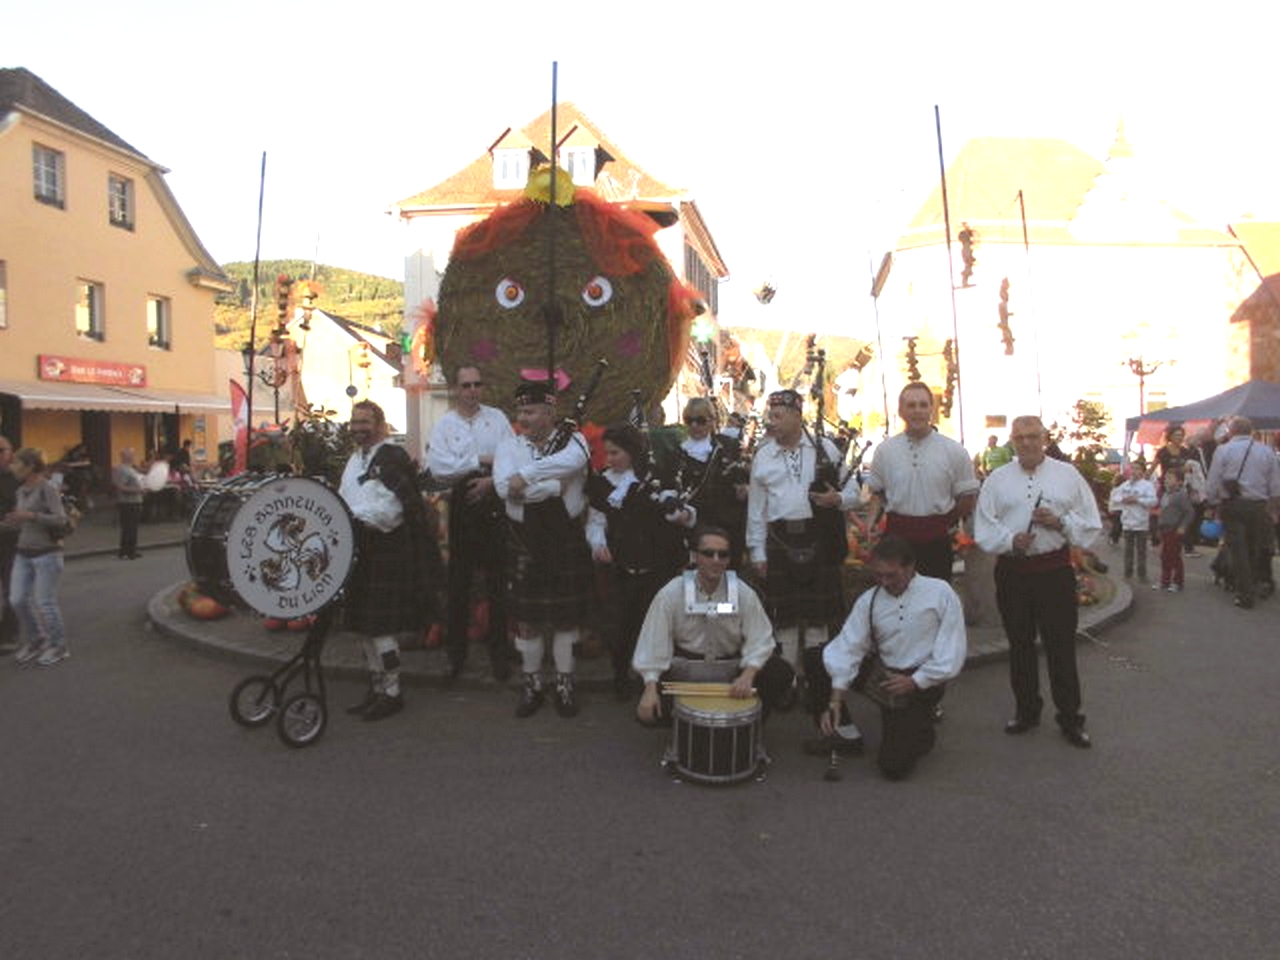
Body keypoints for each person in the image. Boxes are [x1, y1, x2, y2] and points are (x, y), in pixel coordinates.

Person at [974, 415, 1101, 749]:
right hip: (1013, 573)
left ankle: (1071, 718)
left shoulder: (1067, 475)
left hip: (1054, 573)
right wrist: (1009, 540)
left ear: (1045, 438)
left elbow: (1090, 523)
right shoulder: (997, 479)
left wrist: (1060, 522)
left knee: (1061, 647)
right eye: (1020, 437)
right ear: (1012, 441)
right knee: (1019, 646)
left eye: (1033, 436)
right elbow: (984, 526)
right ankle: (1026, 711)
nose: (1027, 443)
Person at [746, 388, 859, 752]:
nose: (771, 421)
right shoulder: (763, 455)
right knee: (784, 621)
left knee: (818, 623)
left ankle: (816, 686)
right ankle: (790, 685)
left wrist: (838, 499)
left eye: (778, 415)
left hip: (818, 540)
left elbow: (858, 489)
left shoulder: (825, 449)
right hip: (780, 543)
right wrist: (756, 550)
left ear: (797, 414)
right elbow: (756, 508)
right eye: (770, 414)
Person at [823, 535, 967, 780]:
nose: (884, 582)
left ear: (910, 568)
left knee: (893, 767)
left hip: (923, 680)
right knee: (818, 657)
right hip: (885, 675)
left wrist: (915, 681)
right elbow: (849, 646)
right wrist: (835, 701)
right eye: (878, 575)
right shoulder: (869, 600)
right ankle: (845, 732)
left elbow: (951, 649)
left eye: (891, 575)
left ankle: (921, 726)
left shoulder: (939, 592)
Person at [493, 380, 594, 718]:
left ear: (550, 412)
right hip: (525, 539)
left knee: (566, 622)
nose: (523, 418)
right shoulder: (508, 446)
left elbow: (575, 462)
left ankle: (565, 685)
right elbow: (506, 489)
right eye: (521, 411)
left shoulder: (574, 441)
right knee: (529, 622)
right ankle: (533, 684)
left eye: (531, 411)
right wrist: (551, 487)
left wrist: (528, 476)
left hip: (564, 539)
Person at [632, 526, 795, 725]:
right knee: (648, 711)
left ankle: (750, 724)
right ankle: (685, 730)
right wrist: (649, 689)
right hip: (685, 670)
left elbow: (761, 639)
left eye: (723, 554)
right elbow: (652, 643)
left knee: (780, 671)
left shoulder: (744, 593)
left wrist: (748, 674)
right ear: (695, 556)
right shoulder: (671, 593)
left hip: (731, 669)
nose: (716, 560)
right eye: (708, 554)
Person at [340, 401, 439, 720]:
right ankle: (376, 685)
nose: (359, 428)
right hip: (360, 547)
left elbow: (389, 512)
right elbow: (345, 497)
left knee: (380, 626)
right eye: (355, 422)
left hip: (386, 548)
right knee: (364, 627)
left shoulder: (391, 457)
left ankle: (393, 691)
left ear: (381, 425)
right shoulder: (356, 459)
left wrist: (351, 519)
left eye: (365, 422)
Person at [586, 422, 694, 696]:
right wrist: (598, 543)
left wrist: (679, 514)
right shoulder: (602, 483)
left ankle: (654, 680)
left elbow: (677, 512)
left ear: (632, 452)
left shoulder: (654, 480)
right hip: (621, 564)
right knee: (622, 624)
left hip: (657, 563)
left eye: (615, 453)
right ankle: (620, 675)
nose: (609, 459)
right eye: (607, 453)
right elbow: (596, 521)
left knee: (657, 624)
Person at [425, 365, 516, 680]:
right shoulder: (444, 425)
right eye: (466, 385)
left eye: (477, 384)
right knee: (458, 584)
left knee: (497, 584)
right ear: (456, 389)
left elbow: (512, 458)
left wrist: (490, 480)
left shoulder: (498, 419)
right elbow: (438, 468)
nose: (472, 390)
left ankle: (500, 654)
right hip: (463, 505)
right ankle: (456, 655)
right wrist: (479, 461)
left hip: (494, 502)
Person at [865, 383, 979, 583]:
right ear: (900, 411)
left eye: (923, 405)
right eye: (911, 405)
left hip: (936, 542)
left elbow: (967, 498)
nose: (917, 410)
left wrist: (943, 522)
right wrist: (870, 524)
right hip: (895, 541)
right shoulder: (885, 451)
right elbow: (877, 493)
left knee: (934, 601)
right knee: (895, 601)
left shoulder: (954, 451)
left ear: (931, 409)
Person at [1205, 416, 1280, 609]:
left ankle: (1244, 593)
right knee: (1254, 547)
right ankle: (1253, 583)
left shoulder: (1223, 450)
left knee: (1238, 549)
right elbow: (1275, 485)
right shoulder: (1266, 451)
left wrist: (1212, 502)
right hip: (1258, 506)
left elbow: (1214, 480)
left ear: (1232, 431)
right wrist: (1273, 509)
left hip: (1233, 505)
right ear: (1252, 431)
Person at [3, 448, 70, 666]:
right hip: (23, 551)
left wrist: (31, 515)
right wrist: (11, 522)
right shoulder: (21, 491)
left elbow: (60, 519)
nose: (12, 467)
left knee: (45, 602)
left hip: (47, 553)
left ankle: (58, 646)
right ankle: (36, 639)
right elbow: (20, 521)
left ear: (30, 466)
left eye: (16, 463)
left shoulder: (47, 488)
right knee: (17, 599)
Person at [675, 397, 748, 567]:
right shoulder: (678, 452)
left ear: (712, 420)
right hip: (694, 526)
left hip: (726, 525)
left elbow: (741, 478)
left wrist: (743, 488)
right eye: (689, 420)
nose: (694, 426)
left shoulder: (728, 446)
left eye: (700, 420)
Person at [1107, 463, 1157, 583]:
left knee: (1141, 551)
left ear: (1143, 471)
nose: (1134, 471)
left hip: (1141, 523)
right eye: (1132, 469)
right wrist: (1123, 500)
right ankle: (1127, 573)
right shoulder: (1125, 485)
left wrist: (1138, 500)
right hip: (1127, 522)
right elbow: (1115, 497)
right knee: (1128, 551)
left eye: (1137, 469)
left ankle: (1142, 574)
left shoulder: (1147, 486)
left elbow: (1153, 501)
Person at [1157, 468, 1194, 592]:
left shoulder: (1181, 495)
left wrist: (1183, 526)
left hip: (1175, 529)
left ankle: (1178, 582)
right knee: (1165, 556)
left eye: (1170, 478)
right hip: (1164, 528)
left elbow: (1189, 512)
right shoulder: (1165, 494)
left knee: (1174, 556)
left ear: (1179, 482)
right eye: (1166, 478)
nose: (1166, 480)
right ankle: (1165, 581)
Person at [0, 436, 20, 651]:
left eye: (1, 450)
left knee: (11, 590)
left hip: (10, 542)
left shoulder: (17, 479)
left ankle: (8, 634)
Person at [112, 447, 145, 560]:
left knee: (133, 527)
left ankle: (131, 549)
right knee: (129, 527)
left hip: (136, 501)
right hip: (128, 503)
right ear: (124, 456)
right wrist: (138, 490)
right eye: (131, 455)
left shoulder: (131, 469)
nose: (133, 457)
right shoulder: (122, 469)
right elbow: (120, 487)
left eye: (133, 454)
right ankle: (127, 551)